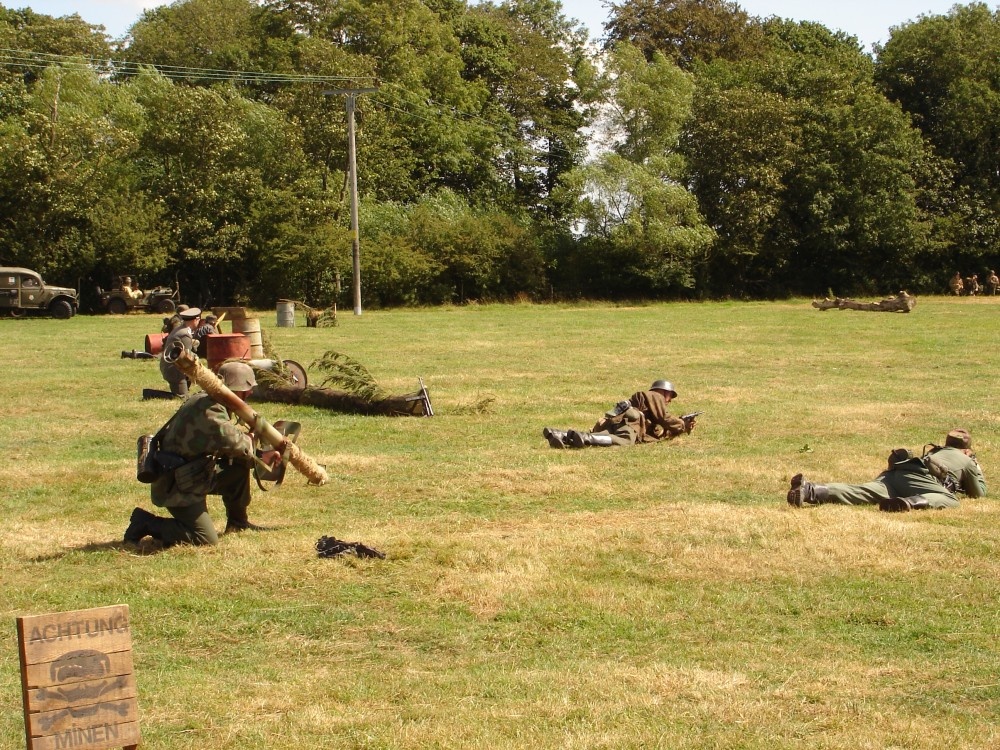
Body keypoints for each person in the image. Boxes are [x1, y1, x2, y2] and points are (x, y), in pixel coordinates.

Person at [124, 362, 281, 546]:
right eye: (245, 390)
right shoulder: (211, 411)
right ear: (233, 391)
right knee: (205, 538)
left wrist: (257, 450)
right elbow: (240, 445)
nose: (249, 394)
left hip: (192, 472)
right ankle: (146, 523)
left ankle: (238, 522)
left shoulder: (206, 399)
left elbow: (229, 446)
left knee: (238, 466)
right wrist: (257, 442)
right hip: (177, 484)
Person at [787, 429, 986, 512]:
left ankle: (811, 490)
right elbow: (979, 493)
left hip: (897, 472)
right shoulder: (965, 459)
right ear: (966, 449)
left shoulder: (936, 452)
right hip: (919, 480)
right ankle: (910, 503)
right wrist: (975, 466)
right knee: (951, 500)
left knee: (862, 491)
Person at [542, 379, 697, 448]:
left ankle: (560, 435)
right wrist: (682, 424)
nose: (669, 400)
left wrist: (681, 427)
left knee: (602, 435)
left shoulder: (647, 400)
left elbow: (657, 429)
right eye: (670, 396)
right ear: (664, 392)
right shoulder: (655, 396)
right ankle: (585, 438)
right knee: (624, 441)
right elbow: (664, 418)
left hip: (617, 421)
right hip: (629, 422)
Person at [158, 307, 201, 397]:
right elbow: (187, 357)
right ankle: (152, 395)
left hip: (173, 367)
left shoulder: (181, 329)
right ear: (196, 319)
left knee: (182, 393)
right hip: (174, 370)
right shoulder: (184, 333)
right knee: (181, 397)